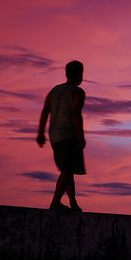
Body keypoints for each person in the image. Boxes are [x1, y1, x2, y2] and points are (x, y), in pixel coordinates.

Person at [36, 60, 86, 211]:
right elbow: (76, 113)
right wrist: (81, 136)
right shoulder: (77, 92)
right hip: (68, 135)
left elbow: (45, 110)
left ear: (66, 73)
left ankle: (73, 203)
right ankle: (55, 202)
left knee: (67, 169)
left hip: (54, 136)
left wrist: (40, 133)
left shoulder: (55, 90)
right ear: (80, 74)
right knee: (67, 170)